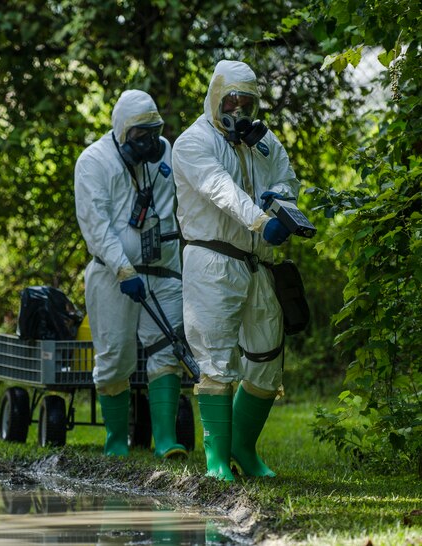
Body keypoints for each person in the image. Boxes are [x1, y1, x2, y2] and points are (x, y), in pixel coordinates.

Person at [172, 60, 301, 481]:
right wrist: (264, 221)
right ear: (215, 98)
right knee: (216, 358)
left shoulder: (262, 142)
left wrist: (278, 200)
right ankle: (215, 460)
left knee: (266, 355)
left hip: (257, 263)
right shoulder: (193, 143)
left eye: (247, 103)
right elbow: (219, 189)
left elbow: (287, 178)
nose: (240, 111)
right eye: (232, 101)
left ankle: (244, 448)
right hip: (212, 261)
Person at [74, 90, 187, 459]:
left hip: (163, 270)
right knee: (115, 357)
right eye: (142, 137)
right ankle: (116, 442)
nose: (152, 143)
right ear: (123, 135)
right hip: (113, 277)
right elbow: (96, 226)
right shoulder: (93, 163)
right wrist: (123, 269)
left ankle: (166, 441)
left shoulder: (165, 152)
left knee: (168, 349)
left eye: (155, 132)